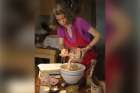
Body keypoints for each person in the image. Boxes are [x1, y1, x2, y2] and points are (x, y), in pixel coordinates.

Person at [50, 4, 100, 71]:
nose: (62, 22)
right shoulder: (60, 29)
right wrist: (63, 50)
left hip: (88, 57)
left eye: (63, 18)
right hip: (73, 59)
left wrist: (87, 48)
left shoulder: (79, 22)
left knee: (86, 79)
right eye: (58, 20)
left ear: (68, 15)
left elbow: (97, 35)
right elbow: (61, 44)